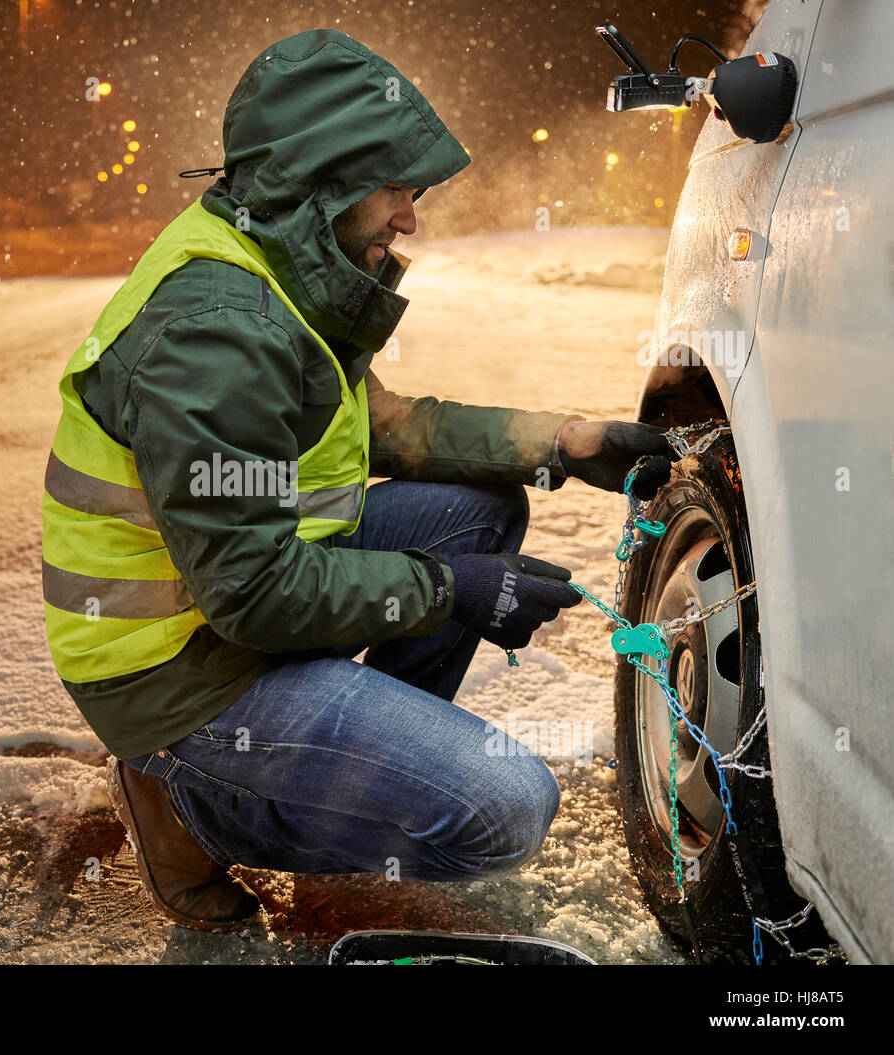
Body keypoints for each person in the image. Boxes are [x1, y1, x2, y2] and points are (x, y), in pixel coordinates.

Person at [40, 28, 676, 930]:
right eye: (397, 191)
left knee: (476, 509)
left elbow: (381, 428)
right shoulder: (219, 333)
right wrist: (451, 591)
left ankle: (355, 781)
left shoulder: (278, 261)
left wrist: (561, 443)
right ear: (324, 179)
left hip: (228, 602)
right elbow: (255, 595)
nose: (409, 218)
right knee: (506, 807)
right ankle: (187, 802)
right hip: (178, 667)